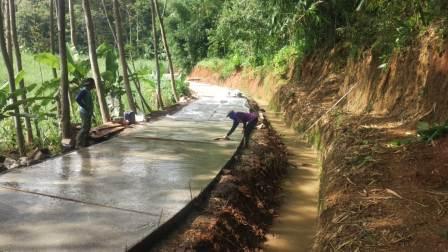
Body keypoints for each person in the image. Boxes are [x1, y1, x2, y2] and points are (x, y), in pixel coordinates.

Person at [75, 78, 95, 148]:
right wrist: (85, 107)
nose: (94, 85)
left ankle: (84, 143)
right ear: (90, 85)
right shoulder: (84, 91)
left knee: (87, 128)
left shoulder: (87, 91)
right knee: (84, 128)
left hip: (87, 112)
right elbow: (77, 99)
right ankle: (78, 143)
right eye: (93, 84)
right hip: (84, 112)